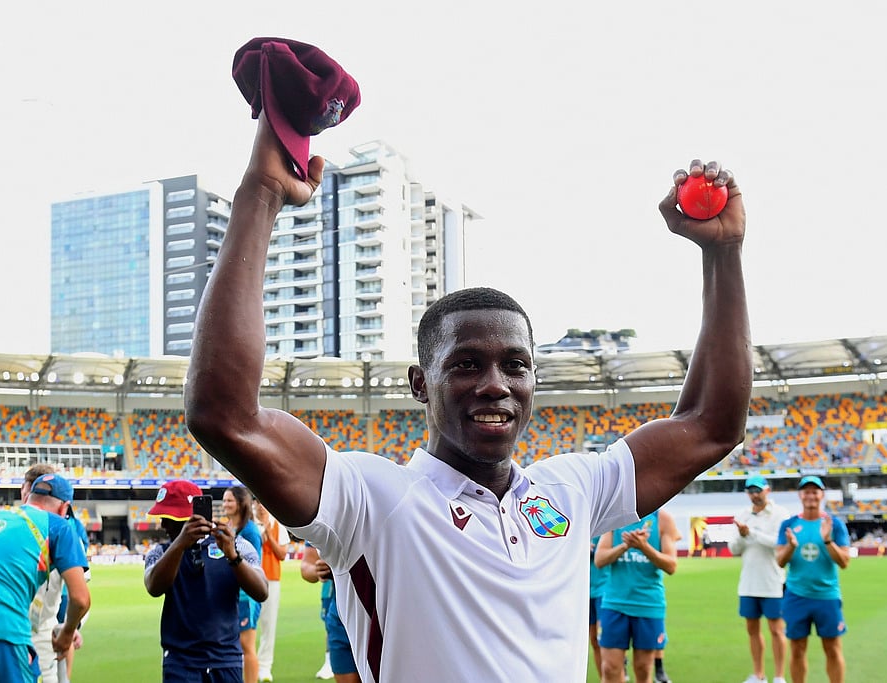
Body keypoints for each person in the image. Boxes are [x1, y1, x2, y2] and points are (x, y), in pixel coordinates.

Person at [184, 92, 751, 679]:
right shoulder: (372, 501)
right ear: (418, 384)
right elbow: (226, 416)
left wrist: (724, 254)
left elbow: (712, 425)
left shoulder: (573, 491)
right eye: (466, 365)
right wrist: (263, 193)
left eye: (515, 365)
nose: (495, 385)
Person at [144, 480, 268, 683]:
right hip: (180, 662)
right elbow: (154, 587)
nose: (163, 524)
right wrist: (180, 544)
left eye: (168, 517)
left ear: (191, 517)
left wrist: (233, 556)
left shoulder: (234, 544)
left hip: (226, 660)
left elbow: (262, 591)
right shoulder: (161, 552)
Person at [0, 472, 90, 683]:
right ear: (64, 508)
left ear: (28, 496)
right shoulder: (58, 526)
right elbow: (80, 599)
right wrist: (67, 633)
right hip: (2, 631)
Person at [775, 476, 850, 683]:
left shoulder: (834, 524)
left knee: (833, 649)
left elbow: (844, 562)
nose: (810, 495)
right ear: (800, 495)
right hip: (796, 596)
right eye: (806, 491)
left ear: (822, 495)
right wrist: (791, 546)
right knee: (797, 649)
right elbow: (780, 562)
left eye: (814, 491)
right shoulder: (789, 525)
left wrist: (827, 540)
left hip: (827, 596)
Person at [594, 509, 680, 683]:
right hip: (614, 603)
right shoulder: (614, 516)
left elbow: (671, 565)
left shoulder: (662, 519)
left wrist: (644, 547)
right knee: (610, 668)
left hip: (648, 605)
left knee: (643, 668)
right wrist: (625, 545)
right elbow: (599, 559)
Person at [21, 466, 89, 683]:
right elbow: (80, 597)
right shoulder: (62, 528)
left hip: (35, 626)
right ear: (64, 508)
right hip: (18, 628)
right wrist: (69, 629)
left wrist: (67, 626)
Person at [728, 475, 790, 683]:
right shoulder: (743, 515)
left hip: (772, 582)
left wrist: (752, 533)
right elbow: (733, 549)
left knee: (776, 630)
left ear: (767, 490)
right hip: (748, 582)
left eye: (758, 490)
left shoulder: (780, 514)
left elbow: (779, 543)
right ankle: (758, 674)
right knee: (752, 630)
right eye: (751, 491)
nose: (755, 495)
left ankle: (779, 676)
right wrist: (743, 535)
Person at [300, 543, 361, 683]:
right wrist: (318, 570)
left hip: (378, 615)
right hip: (340, 617)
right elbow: (306, 566)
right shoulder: (324, 521)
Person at [221, 486, 264, 683]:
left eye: (230, 500)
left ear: (241, 503)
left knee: (247, 646)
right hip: (232, 592)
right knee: (237, 645)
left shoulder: (250, 531)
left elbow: (254, 566)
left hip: (246, 595)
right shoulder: (229, 526)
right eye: (224, 500)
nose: (225, 504)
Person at [254, 501, 289, 682]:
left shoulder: (278, 524)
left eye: (263, 502)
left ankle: (265, 667)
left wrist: (268, 530)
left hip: (271, 578)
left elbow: (282, 554)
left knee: (269, 625)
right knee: (246, 624)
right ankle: (248, 662)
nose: (260, 506)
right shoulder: (249, 522)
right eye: (257, 502)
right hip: (249, 578)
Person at [589, 535, 608, 680]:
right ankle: (604, 678)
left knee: (604, 639)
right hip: (583, 592)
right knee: (594, 640)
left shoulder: (606, 527)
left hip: (604, 589)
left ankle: (616, 666)